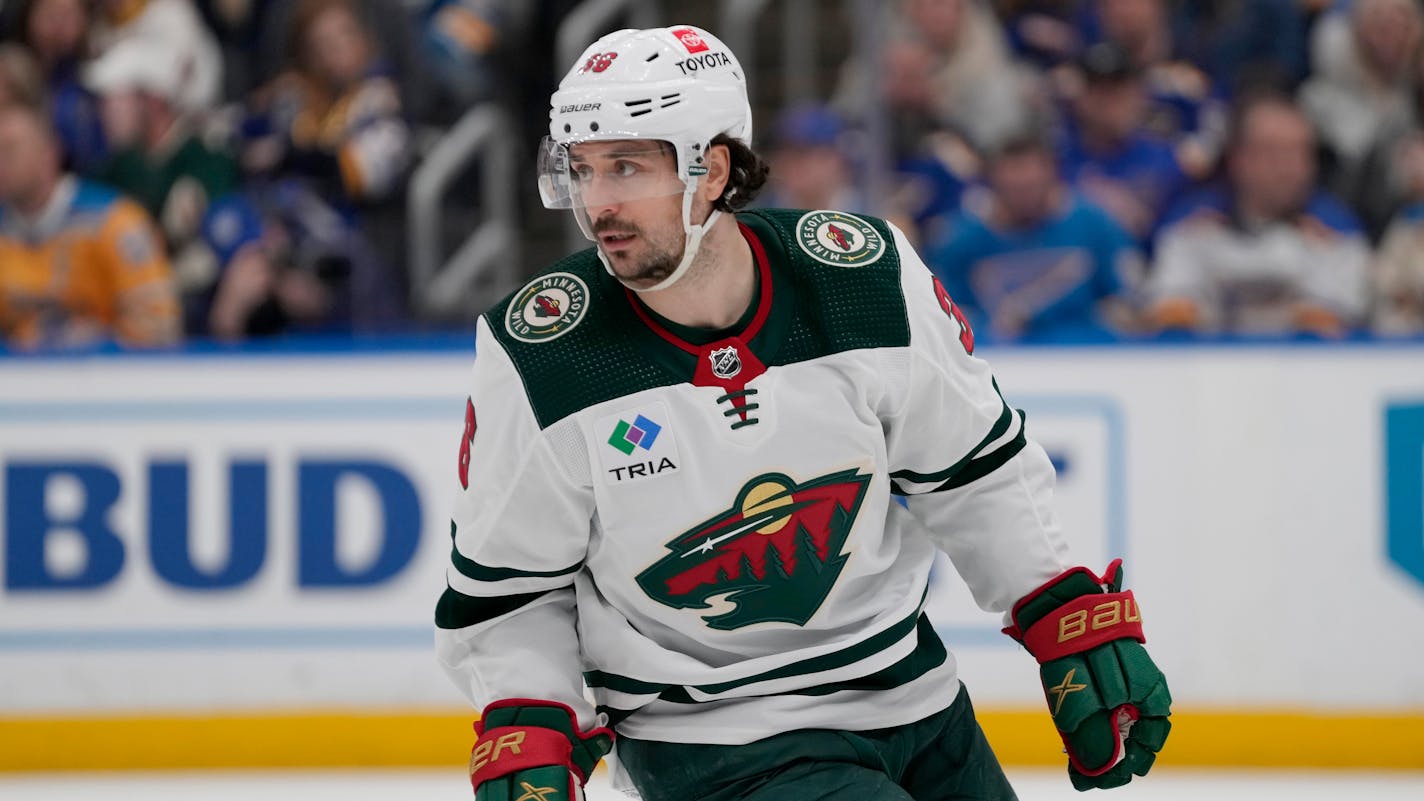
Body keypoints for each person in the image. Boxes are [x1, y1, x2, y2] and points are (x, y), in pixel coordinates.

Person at [434, 24, 1172, 801]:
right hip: (712, 744)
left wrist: (1054, 598)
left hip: (916, 699)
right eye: (581, 169)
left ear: (712, 169)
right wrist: (533, 712)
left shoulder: (860, 279)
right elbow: (509, 590)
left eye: (626, 165)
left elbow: (971, 468)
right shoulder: (544, 350)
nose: (599, 203)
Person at [1148, 94, 1370, 337]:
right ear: (1237, 159)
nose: (1290, 167)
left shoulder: (1337, 233)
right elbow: (1170, 326)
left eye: (1301, 152)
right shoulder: (1190, 227)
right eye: (1274, 152)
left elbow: (1330, 335)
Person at [931, 132, 1142, 342]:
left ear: (1051, 177)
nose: (1023, 198)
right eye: (1014, 189)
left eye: (1031, 186)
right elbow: (949, 313)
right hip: (998, 356)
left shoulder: (1093, 225)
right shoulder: (961, 240)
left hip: (1081, 352)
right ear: (993, 182)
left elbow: (1123, 297)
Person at [0, 103, 180, 349]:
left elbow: (161, 325)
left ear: (49, 153)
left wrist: (101, 344)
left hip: (107, 379)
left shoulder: (114, 221)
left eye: (10, 149)